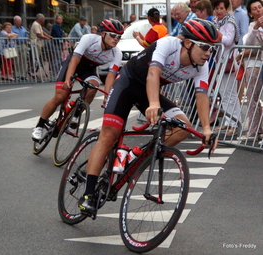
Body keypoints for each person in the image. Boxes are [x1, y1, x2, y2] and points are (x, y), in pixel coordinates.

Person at [78, 19, 219, 215]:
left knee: (182, 128)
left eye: (211, 49)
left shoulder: (200, 66)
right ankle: (88, 194)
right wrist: (154, 104)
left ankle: (136, 155)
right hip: (127, 85)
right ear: (188, 43)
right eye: (204, 47)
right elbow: (153, 73)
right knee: (109, 135)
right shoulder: (168, 44)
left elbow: (201, 96)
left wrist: (206, 129)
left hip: (148, 91)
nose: (208, 53)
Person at [32, 19, 124, 141]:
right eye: (113, 35)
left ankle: (75, 115)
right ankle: (39, 126)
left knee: (93, 87)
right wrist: (68, 80)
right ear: (103, 34)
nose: (116, 39)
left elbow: (111, 76)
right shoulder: (89, 39)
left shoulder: (116, 53)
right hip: (73, 64)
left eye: (119, 36)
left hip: (88, 70)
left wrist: (107, 96)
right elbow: (75, 59)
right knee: (60, 97)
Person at [212, 0, 241, 135]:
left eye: (221, 8)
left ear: (226, 8)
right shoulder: (216, 22)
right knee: (223, 92)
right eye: (217, 8)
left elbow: (229, 41)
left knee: (230, 93)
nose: (219, 11)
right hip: (220, 60)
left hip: (228, 59)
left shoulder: (230, 22)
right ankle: (228, 121)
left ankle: (235, 123)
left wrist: (217, 34)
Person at [236, 0, 263, 141]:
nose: (258, 10)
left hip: (257, 64)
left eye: (260, 7)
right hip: (253, 65)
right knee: (253, 98)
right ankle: (257, 128)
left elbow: (254, 46)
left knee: (253, 99)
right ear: (251, 13)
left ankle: (254, 131)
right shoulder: (253, 26)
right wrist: (257, 27)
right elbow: (249, 42)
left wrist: (242, 54)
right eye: (255, 9)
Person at [12, 15, 28, 81]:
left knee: (23, 60)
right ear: (14, 21)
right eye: (17, 21)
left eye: (19, 21)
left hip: (23, 44)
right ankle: (17, 75)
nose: (18, 22)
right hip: (16, 44)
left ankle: (23, 75)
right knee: (16, 61)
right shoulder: (12, 28)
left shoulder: (23, 29)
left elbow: (26, 36)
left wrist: (26, 44)